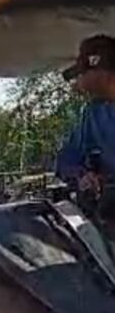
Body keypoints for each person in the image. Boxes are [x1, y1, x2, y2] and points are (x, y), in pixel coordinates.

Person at [56, 34, 115, 194]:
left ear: (99, 70)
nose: (77, 81)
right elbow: (66, 161)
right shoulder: (93, 114)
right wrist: (83, 175)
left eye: (80, 73)